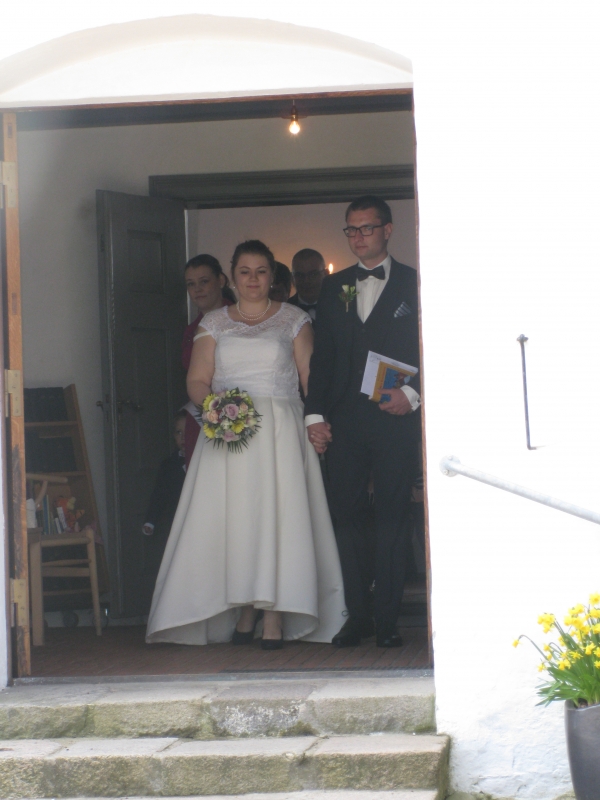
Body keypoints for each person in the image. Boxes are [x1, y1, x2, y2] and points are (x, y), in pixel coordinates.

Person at [146, 240, 345, 648]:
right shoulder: (214, 322)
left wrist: (317, 420)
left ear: (272, 276)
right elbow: (197, 380)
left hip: (280, 430)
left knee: (279, 518)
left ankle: (273, 614)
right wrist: (217, 411)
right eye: (244, 272)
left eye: (261, 271)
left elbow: (310, 376)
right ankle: (244, 608)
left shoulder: (294, 319)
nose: (253, 279)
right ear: (231, 278)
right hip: (228, 431)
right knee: (235, 520)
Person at [305, 196, 421, 649]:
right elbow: (323, 356)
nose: (357, 237)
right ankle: (358, 616)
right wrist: (315, 414)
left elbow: (435, 343)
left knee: (393, 516)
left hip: (395, 419)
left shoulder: (414, 281)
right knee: (346, 516)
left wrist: (413, 394)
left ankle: (388, 620)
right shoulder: (335, 286)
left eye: (366, 228)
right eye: (351, 230)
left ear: (388, 230)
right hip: (345, 421)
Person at [181, 254, 234, 469]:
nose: (197, 290)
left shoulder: (240, 320)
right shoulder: (191, 330)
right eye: (191, 284)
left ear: (220, 280)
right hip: (202, 413)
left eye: (204, 281)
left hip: (237, 410)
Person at [141, 411, 187, 589]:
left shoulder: (206, 460)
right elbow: (159, 495)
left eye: (187, 431)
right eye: (178, 432)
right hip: (174, 521)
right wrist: (151, 520)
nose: (183, 437)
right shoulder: (169, 465)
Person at [288, 249, 326, 324]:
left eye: (313, 274)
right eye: (300, 275)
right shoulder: (285, 311)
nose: (306, 281)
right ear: (292, 279)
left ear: (325, 274)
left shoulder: (339, 305)